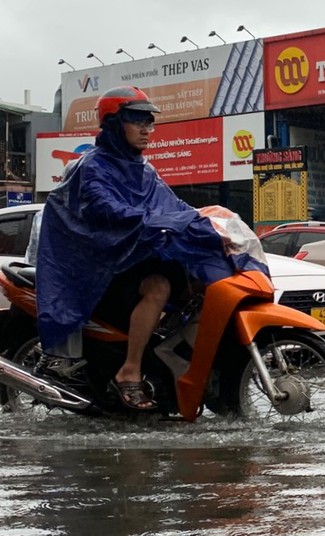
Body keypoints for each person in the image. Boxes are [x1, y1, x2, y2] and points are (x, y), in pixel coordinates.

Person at [35, 86, 267, 410]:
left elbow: (172, 204)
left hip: (131, 259)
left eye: (149, 122)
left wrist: (204, 220)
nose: (146, 129)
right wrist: (156, 221)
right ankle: (128, 372)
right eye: (137, 121)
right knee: (158, 287)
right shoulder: (90, 168)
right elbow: (106, 210)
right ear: (115, 124)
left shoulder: (144, 169)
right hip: (97, 268)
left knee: (195, 284)